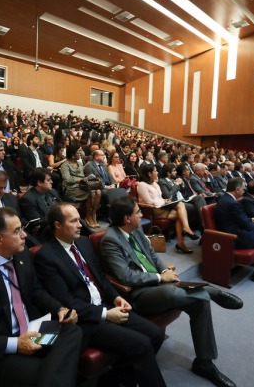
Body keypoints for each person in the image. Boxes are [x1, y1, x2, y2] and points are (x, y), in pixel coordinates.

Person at [100, 196, 240, 387]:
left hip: (158, 283)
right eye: (138, 212)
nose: (142, 215)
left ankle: (204, 363)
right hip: (138, 294)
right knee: (173, 293)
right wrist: (159, 278)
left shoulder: (136, 229)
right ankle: (209, 291)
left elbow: (152, 255)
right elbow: (126, 277)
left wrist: (164, 271)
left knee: (200, 302)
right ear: (127, 218)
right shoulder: (110, 240)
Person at [35, 203, 167, 387]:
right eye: (73, 221)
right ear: (58, 225)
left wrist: (115, 297)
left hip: (107, 305)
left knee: (155, 334)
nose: (80, 224)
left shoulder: (82, 242)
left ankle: (115, 380)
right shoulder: (47, 257)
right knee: (142, 344)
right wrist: (106, 314)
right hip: (87, 318)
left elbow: (101, 278)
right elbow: (66, 301)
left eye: (79, 219)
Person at [0, 207, 82, 387]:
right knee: (53, 371)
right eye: (17, 231)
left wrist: (59, 308)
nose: (25, 235)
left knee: (72, 330)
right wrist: (16, 344)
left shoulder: (22, 255)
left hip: (33, 333)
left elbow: (36, 291)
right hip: (4, 348)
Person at [137, 164, 196, 254]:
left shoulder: (154, 183)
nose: (157, 173)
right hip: (154, 210)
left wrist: (165, 200)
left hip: (162, 206)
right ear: (149, 173)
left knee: (180, 211)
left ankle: (181, 241)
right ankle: (185, 231)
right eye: (155, 171)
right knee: (180, 206)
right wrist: (163, 202)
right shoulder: (141, 185)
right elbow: (148, 201)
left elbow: (159, 197)